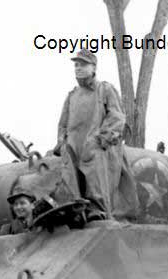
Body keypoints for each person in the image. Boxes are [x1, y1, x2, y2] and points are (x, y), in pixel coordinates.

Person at [56, 49, 137, 220]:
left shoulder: (104, 89)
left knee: (95, 167)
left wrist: (101, 139)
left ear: (93, 68)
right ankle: (76, 209)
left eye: (83, 65)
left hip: (100, 148)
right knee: (69, 173)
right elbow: (63, 124)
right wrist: (62, 143)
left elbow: (116, 117)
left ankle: (97, 209)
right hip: (74, 147)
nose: (78, 68)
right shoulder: (72, 96)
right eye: (76, 65)